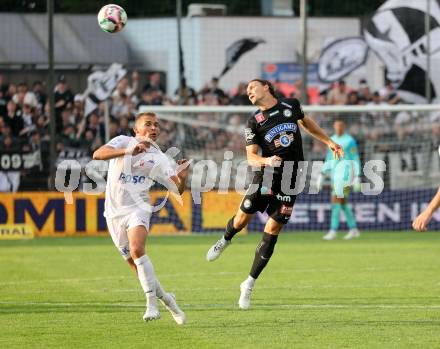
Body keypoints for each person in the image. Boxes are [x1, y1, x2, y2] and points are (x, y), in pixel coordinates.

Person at [205, 79, 343, 309]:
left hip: (292, 177)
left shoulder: (291, 105)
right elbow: (251, 157)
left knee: (273, 228)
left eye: (252, 86)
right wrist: (267, 160)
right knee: (241, 219)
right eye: (247, 89)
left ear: (266, 87)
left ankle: (248, 284)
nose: (248, 90)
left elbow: (306, 123)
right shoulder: (253, 122)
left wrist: (329, 141)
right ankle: (225, 239)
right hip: (267, 176)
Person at [93, 112, 189, 324]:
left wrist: (182, 178)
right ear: (136, 130)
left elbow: (177, 190)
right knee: (136, 266)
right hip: (114, 213)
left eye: (156, 125)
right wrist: (128, 151)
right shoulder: (123, 141)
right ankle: (167, 300)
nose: (153, 128)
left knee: (137, 249)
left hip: (139, 207)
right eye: (148, 124)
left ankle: (151, 305)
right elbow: (97, 154)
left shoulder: (160, 158)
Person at [320, 119, 361, 240]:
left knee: (335, 201)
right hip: (335, 175)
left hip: (346, 174)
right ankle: (353, 229)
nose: (338, 128)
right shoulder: (331, 140)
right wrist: (322, 173)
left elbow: (355, 157)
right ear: (334, 126)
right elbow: (329, 158)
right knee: (343, 204)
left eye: (341, 125)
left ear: (344, 127)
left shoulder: (349, 141)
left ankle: (333, 230)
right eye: (336, 125)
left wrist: (357, 175)